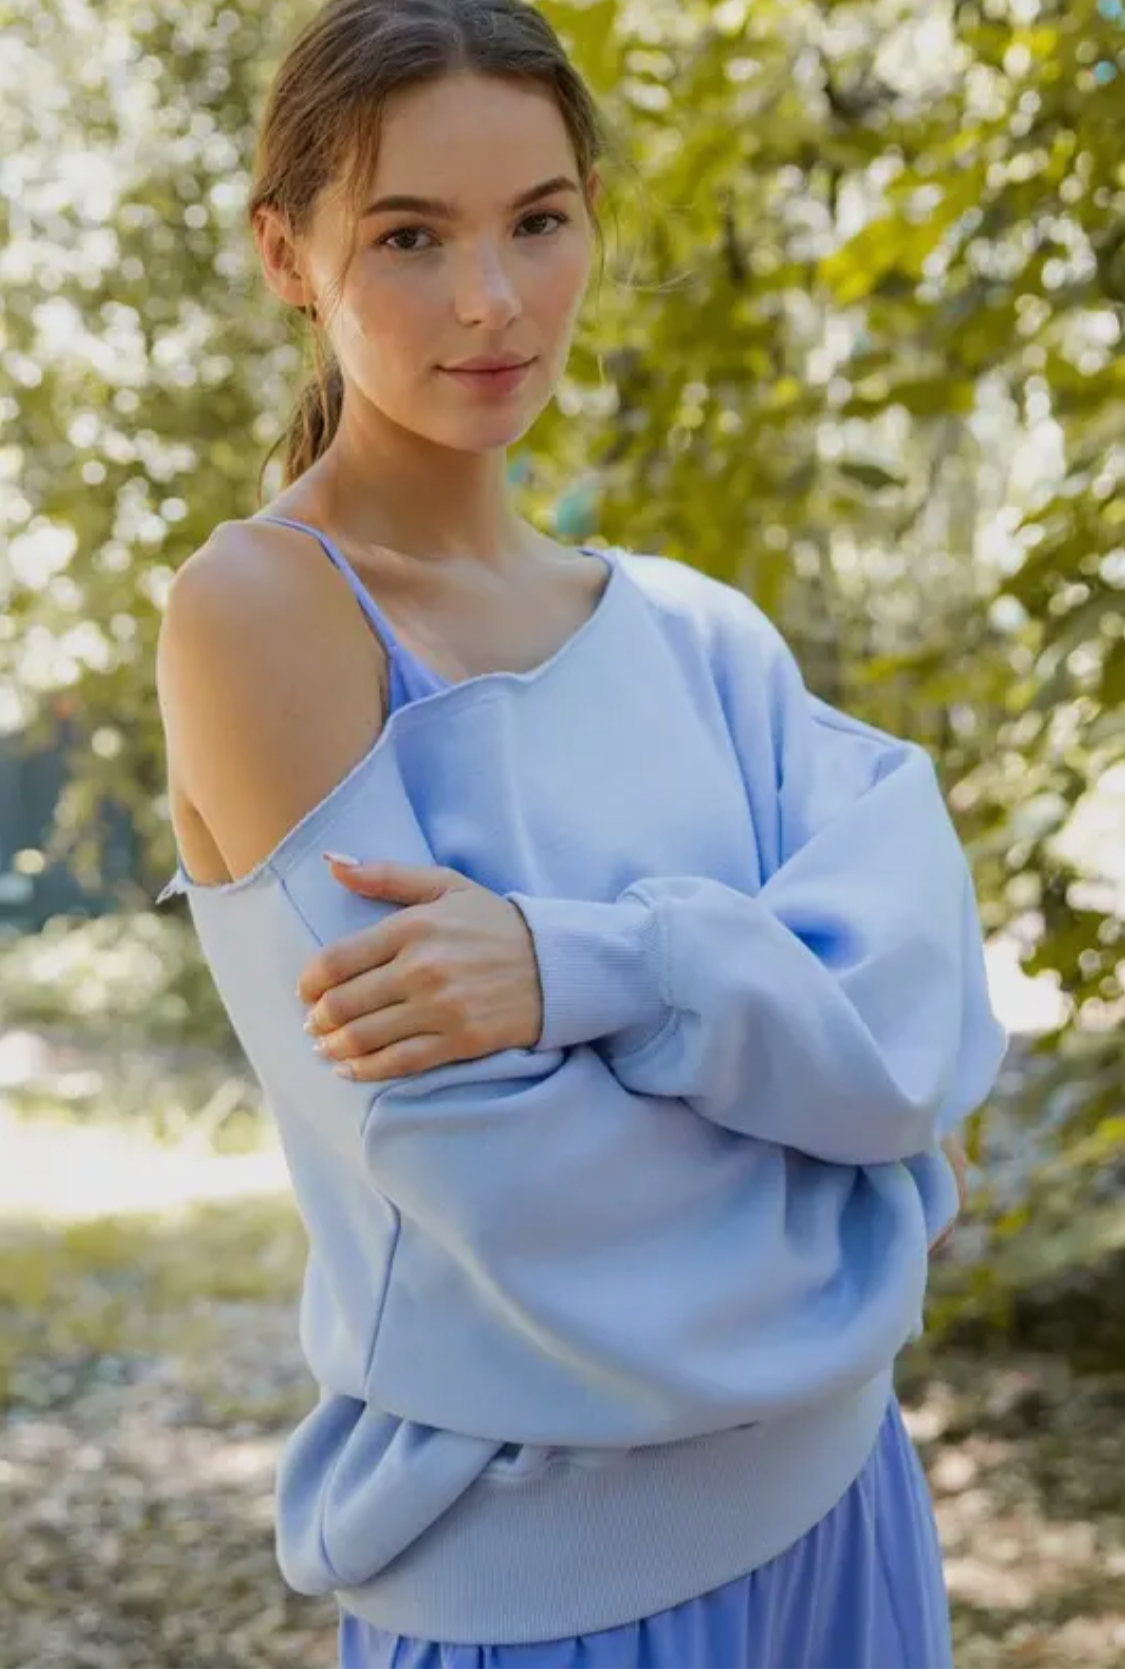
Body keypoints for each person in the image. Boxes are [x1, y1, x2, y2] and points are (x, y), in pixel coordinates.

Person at [154, 1, 1008, 1664]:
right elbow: (512, 1193)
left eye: (540, 222)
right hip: (548, 1590)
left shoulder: (703, 639)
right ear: (287, 253)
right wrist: (861, 1169)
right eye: (410, 236)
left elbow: (913, 1022)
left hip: (846, 1511)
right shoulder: (265, 611)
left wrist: (587, 968)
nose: (491, 302)